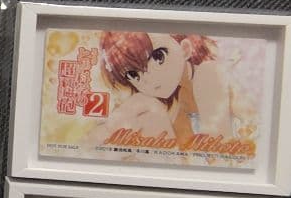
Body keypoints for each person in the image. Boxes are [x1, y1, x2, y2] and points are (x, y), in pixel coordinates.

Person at [97, 31, 231, 145]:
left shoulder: (208, 73)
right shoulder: (171, 103)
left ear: (185, 49)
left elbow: (219, 150)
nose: (149, 78)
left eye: (158, 57)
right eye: (133, 74)